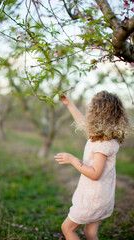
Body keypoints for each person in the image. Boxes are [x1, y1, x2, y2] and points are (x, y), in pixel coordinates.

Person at [54, 91, 130, 240]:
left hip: (93, 199)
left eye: (90, 109)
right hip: (102, 197)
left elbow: (95, 174)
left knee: (67, 228)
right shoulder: (104, 137)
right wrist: (69, 103)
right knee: (90, 234)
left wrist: (73, 160)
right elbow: (81, 122)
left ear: (98, 114)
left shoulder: (103, 144)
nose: (88, 112)